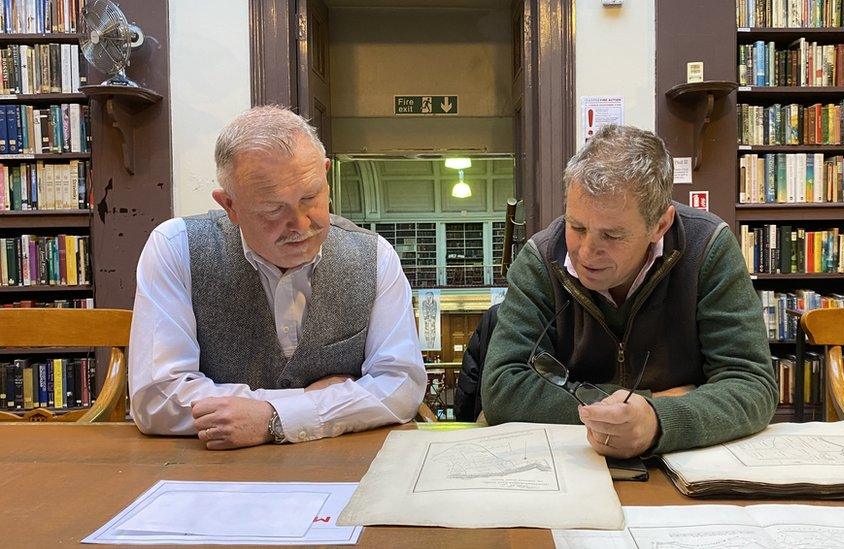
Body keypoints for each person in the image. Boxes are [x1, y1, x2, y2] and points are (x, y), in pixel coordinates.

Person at [128, 106, 426, 450]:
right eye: (273, 209)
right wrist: (304, 404)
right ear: (230, 205)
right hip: (215, 477)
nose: (300, 225)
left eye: (310, 198)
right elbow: (156, 398)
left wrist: (273, 418)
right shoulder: (175, 247)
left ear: (325, 174)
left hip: (340, 469)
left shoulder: (375, 256)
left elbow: (401, 384)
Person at [481, 124, 777, 459]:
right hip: (571, 466)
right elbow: (502, 389)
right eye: (576, 227)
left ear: (660, 225)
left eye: (612, 235)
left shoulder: (707, 248)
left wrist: (655, 423)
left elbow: (752, 385)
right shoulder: (540, 258)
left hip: (683, 464)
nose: (586, 252)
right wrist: (653, 403)